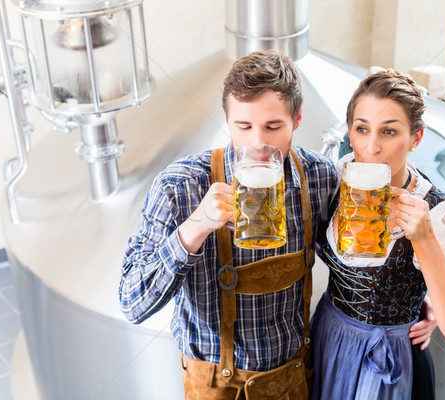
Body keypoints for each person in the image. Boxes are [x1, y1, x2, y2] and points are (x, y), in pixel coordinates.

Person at [118, 50, 340, 399]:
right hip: (214, 386)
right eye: (244, 126)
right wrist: (196, 226)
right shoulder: (181, 186)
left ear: (296, 120)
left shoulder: (320, 177)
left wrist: (420, 299)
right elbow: (133, 304)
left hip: (293, 380)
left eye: (273, 126)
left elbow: (349, 264)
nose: (258, 144)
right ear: (226, 119)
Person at [310, 69, 445, 400]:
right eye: (362, 129)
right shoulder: (336, 178)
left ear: (416, 138)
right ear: (350, 133)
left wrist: (425, 241)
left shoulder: (439, 212)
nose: (372, 147)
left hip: (391, 363)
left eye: (389, 131)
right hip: (328, 343)